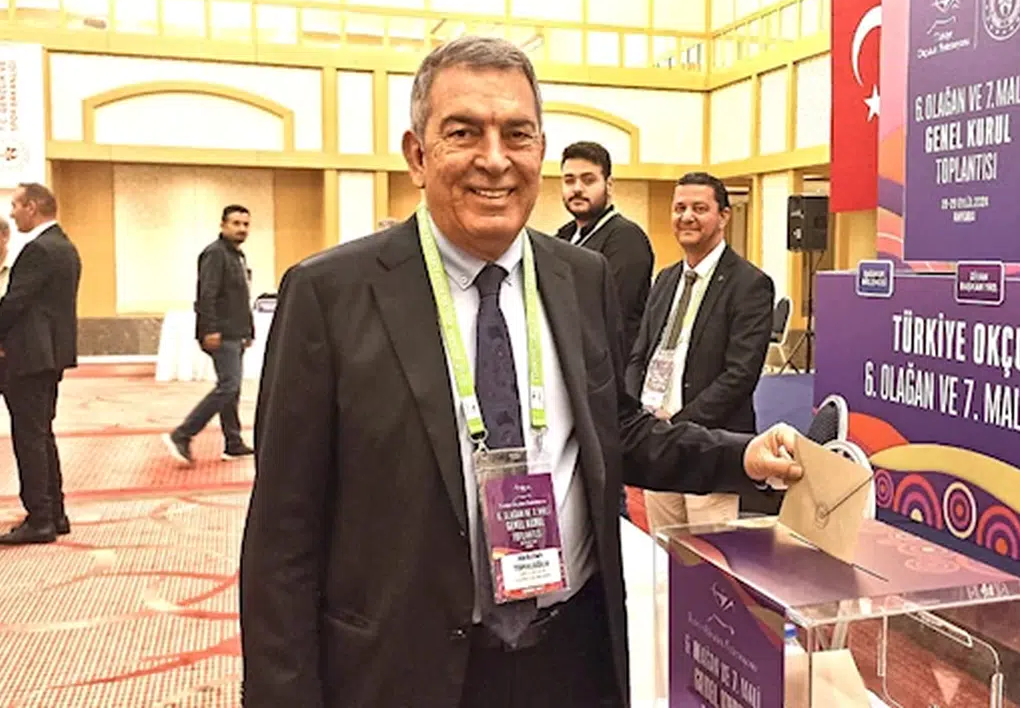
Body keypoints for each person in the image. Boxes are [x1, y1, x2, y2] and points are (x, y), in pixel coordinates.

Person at [238, 35, 802, 708]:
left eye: (517, 134)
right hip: (405, 669)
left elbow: (616, 432)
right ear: (417, 155)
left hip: (569, 659)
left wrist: (742, 457)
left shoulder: (580, 277)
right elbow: (282, 536)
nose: (495, 159)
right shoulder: (331, 295)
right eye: (463, 133)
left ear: (541, 151)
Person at [626, 171, 775, 534]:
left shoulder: (750, 284)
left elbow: (739, 375)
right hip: (659, 447)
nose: (687, 217)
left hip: (711, 447)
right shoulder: (665, 279)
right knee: (665, 551)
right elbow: (639, 355)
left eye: (699, 208)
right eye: (679, 208)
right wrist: (638, 416)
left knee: (712, 559)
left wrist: (678, 426)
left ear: (724, 216)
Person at [0, 183, 80, 545]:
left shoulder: (39, 250)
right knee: (42, 435)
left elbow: (15, 304)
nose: (12, 213)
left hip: (28, 357)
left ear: (32, 207)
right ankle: (54, 512)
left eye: (16, 205)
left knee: (30, 438)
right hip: (48, 356)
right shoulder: (64, 246)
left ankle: (40, 518)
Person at [163, 205, 256, 465]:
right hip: (221, 332)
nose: (241, 229)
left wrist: (247, 330)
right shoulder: (215, 254)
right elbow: (207, 294)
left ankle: (233, 442)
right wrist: (210, 328)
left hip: (236, 331)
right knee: (229, 386)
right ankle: (183, 434)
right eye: (236, 223)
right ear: (223, 225)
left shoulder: (237, 255)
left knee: (232, 389)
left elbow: (241, 296)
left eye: (245, 224)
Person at [555, 141, 654, 354]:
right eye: (569, 180)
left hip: (609, 365)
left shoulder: (626, 238)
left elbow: (610, 313)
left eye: (588, 180)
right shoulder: (563, 236)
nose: (577, 188)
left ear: (608, 185)